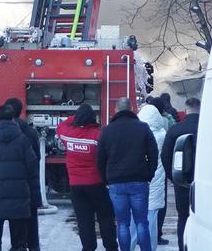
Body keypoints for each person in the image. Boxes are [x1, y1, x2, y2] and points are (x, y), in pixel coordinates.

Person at [97, 98, 159, 251]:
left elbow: (100, 158)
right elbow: (153, 153)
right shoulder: (143, 128)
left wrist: (106, 179)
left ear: (115, 110)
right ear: (132, 109)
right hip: (139, 181)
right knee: (141, 222)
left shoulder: (107, 130)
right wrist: (149, 174)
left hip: (116, 183)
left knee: (122, 223)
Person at [58, 103, 117, 251]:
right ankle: (110, 247)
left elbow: (62, 124)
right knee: (105, 217)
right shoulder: (98, 135)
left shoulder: (67, 134)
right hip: (96, 183)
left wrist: (76, 117)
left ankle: (88, 247)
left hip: (76, 185)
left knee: (84, 220)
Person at [0, 100, 39, 251]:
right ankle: (18, 247)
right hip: (19, 189)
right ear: (14, 118)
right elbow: (32, 163)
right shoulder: (22, 139)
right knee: (17, 222)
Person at [161, 98, 199, 251]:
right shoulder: (209, 127)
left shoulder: (175, 130)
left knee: (183, 217)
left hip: (182, 180)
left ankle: (183, 247)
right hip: (206, 182)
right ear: (200, 108)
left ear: (186, 109)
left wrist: (174, 176)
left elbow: (165, 156)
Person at [8, 98, 43, 250]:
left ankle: (17, 245)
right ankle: (33, 245)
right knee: (31, 216)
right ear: (21, 111)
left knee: (14, 217)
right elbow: (37, 157)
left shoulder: (0, 133)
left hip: (11, 183)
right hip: (29, 181)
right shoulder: (30, 132)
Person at [138, 104, 169, 246]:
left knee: (136, 215)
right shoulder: (163, 134)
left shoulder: (137, 133)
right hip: (157, 177)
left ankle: (136, 241)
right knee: (152, 216)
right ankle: (151, 244)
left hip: (140, 177)